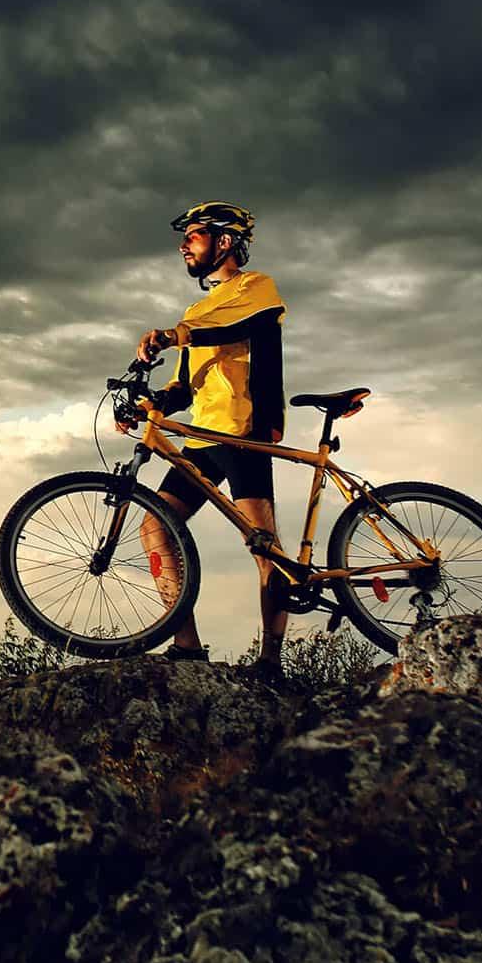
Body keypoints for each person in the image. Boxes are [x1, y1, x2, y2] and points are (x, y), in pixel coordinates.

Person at [121, 200, 290, 682]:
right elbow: (184, 384)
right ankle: (187, 645)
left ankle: (272, 661)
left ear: (223, 242)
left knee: (265, 548)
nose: (183, 245)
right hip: (203, 433)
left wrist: (178, 334)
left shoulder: (256, 289)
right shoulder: (196, 309)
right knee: (156, 527)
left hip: (243, 430)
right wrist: (151, 403)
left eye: (193, 236)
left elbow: (238, 326)